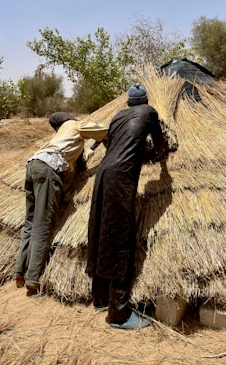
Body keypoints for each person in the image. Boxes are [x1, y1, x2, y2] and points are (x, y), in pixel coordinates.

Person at [86, 83, 167, 329]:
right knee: (120, 240)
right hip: (121, 178)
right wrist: (160, 157)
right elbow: (160, 142)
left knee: (100, 232)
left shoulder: (117, 116)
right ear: (145, 100)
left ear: (129, 103)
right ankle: (118, 314)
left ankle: (100, 297)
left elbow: (112, 146)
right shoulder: (150, 112)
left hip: (103, 173)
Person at [15, 112, 108, 296]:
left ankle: (19, 272)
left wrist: (85, 152)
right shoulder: (74, 125)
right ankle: (32, 280)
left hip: (33, 165)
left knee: (30, 223)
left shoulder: (59, 137)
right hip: (48, 170)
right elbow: (104, 130)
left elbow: (79, 165)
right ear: (69, 119)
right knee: (43, 225)